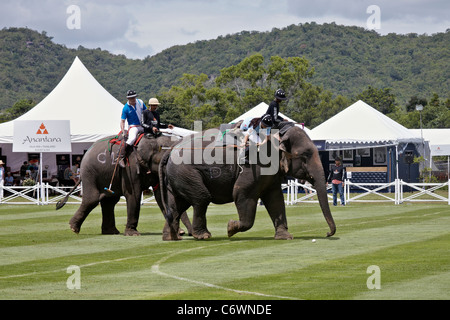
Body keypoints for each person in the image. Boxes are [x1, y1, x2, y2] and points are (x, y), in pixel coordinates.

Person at [118, 90, 147, 168]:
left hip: (143, 125)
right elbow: (123, 121)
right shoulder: (125, 108)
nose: (133, 99)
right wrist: (123, 131)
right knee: (132, 139)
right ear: (128, 98)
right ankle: (120, 157)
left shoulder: (140, 102)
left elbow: (146, 112)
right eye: (131, 98)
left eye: (134, 97)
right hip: (133, 127)